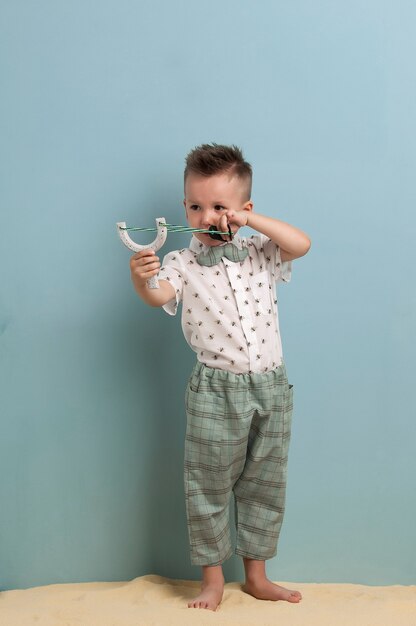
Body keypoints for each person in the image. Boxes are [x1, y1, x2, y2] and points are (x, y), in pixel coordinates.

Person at [129, 144, 311, 611]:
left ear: (243, 210)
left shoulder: (259, 252)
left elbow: (301, 244)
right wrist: (141, 278)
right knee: (208, 485)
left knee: (265, 483)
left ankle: (257, 576)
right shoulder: (181, 263)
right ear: (184, 207)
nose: (206, 216)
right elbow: (158, 295)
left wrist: (251, 222)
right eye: (195, 206)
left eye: (219, 207)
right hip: (216, 391)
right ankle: (211, 581)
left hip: (271, 385)